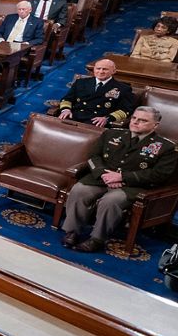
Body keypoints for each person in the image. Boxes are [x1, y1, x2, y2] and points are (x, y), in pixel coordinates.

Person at [61, 107, 175, 253]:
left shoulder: (166, 147)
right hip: (101, 179)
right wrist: (103, 174)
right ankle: (72, 231)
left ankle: (97, 239)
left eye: (143, 120)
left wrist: (122, 177)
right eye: (134, 118)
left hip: (132, 186)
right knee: (79, 190)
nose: (135, 122)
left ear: (155, 125)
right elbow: (93, 157)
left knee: (110, 201)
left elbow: (160, 174)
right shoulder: (111, 133)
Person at [57, 58, 135, 127]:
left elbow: (125, 110)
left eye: (105, 69)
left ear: (113, 71)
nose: (101, 72)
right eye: (98, 68)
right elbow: (67, 99)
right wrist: (66, 110)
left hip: (97, 121)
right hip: (74, 115)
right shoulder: (80, 82)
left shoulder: (123, 88)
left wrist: (107, 118)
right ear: (94, 69)